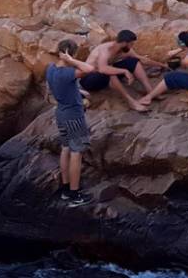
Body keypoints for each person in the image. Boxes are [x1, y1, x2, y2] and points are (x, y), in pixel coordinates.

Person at [46, 39, 97, 206]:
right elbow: (90, 69)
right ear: (70, 53)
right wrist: (71, 60)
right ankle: (75, 194)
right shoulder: (67, 72)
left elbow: (57, 87)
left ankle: (66, 189)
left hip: (60, 113)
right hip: (73, 116)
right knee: (77, 153)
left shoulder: (51, 69)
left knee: (66, 148)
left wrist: (78, 91)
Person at [80, 29, 149, 112]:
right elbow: (103, 69)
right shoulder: (105, 50)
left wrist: (163, 65)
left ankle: (150, 92)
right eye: (131, 44)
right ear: (124, 43)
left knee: (132, 61)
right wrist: (124, 71)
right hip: (88, 79)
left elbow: (139, 58)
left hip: (102, 76)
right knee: (110, 72)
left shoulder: (120, 49)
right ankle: (131, 102)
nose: (132, 46)